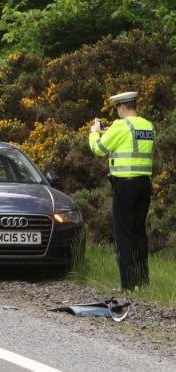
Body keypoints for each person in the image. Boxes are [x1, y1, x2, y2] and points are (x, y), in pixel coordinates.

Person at [89, 91, 155, 292]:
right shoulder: (148, 125)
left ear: (122, 107)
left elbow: (98, 149)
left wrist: (94, 132)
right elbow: (128, 142)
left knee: (124, 234)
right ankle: (142, 281)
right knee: (138, 232)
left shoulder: (122, 125)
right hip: (144, 184)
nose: (117, 112)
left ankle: (127, 284)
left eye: (117, 108)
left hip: (125, 186)